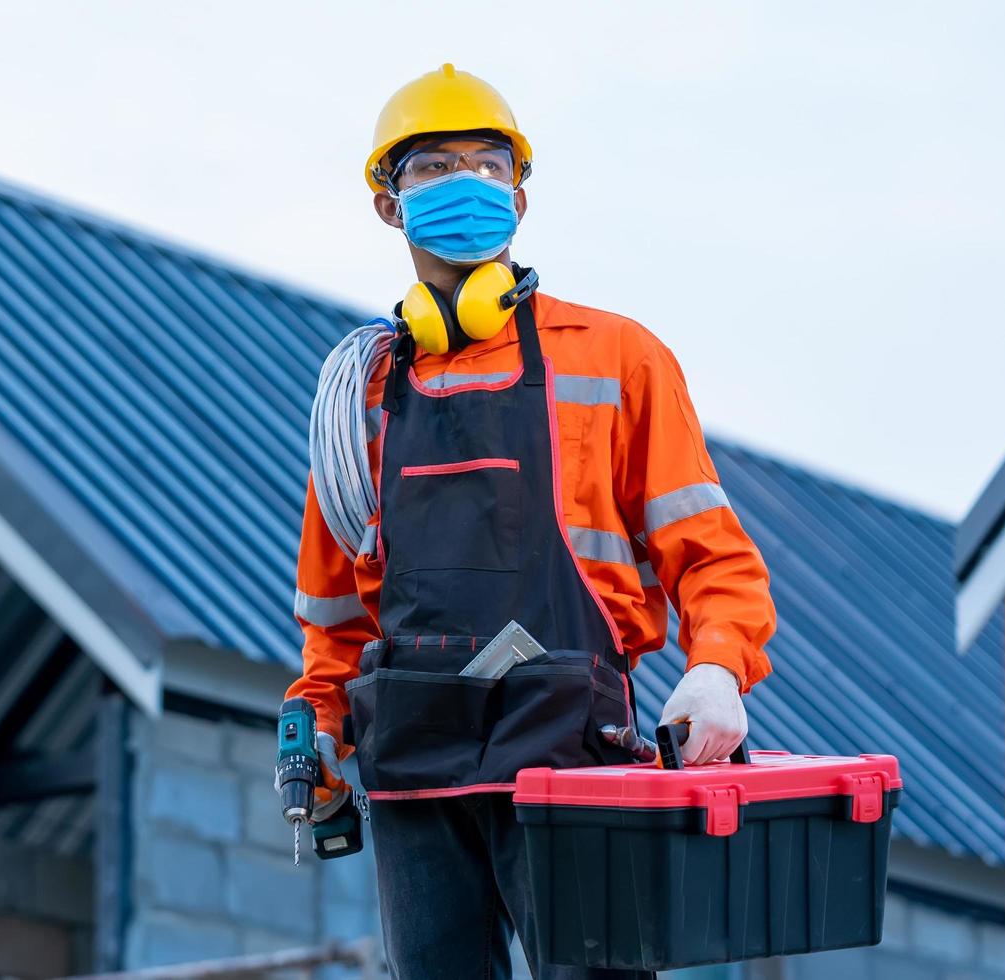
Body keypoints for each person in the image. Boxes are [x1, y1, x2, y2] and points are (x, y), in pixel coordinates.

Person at [284, 64, 776, 979]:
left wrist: (717, 670)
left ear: (520, 193)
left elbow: (713, 555)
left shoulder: (616, 359)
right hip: (413, 767)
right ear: (390, 205)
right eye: (434, 167)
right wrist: (315, 724)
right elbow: (334, 623)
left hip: (569, 754)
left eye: (487, 163)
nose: (466, 184)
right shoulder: (358, 399)